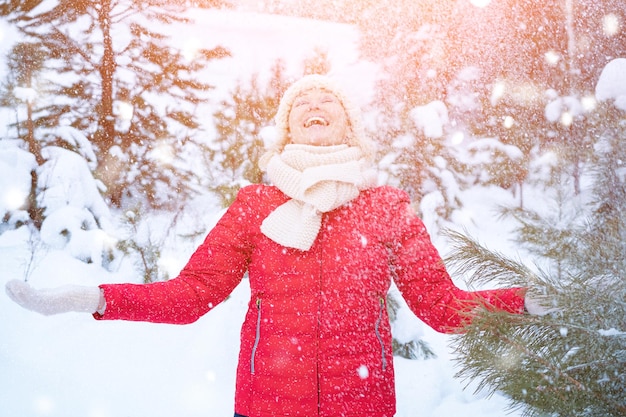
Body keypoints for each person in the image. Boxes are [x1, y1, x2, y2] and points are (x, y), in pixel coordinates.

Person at [6, 74, 548, 417]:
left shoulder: (385, 205)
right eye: (301, 101)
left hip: (361, 406)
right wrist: (93, 298)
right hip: (266, 406)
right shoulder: (256, 205)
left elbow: (442, 308)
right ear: (287, 126)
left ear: (348, 125)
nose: (315, 104)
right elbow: (192, 294)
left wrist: (528, 302)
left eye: (328, 100)